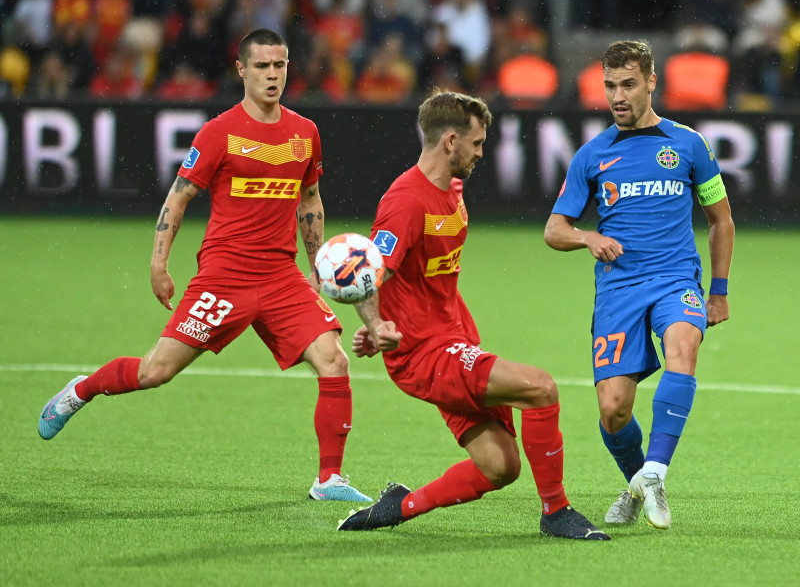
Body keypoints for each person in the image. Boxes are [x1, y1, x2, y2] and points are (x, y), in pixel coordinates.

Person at [37, 28, 372, 504]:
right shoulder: (220, 132)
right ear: (241, 70)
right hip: (224, 277)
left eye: (279, 65)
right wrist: (159, 263)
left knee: (333, 359)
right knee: (156, 371)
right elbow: (179, 198)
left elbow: (310, 200)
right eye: (262, 66)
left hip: (281, 278)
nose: (272, 75)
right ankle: (82, 390)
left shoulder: (305, 133)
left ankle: (329, 479)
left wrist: (318, 268)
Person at [337, 90, 609, 541]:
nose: (482, 152)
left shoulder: (454, 190)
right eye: (478, 143)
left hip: (455, 342)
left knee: (500, 466)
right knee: (540, 387)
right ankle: (556, 512)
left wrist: (380, 325)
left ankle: (398, 507)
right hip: (424, 354)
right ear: (450, 141)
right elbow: (366, 271)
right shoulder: (406, 202)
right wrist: (375, 325)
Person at [543, 39, 735, 529]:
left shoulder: (689, 145)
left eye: (628, 84)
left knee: (683, 345)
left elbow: (721, 221)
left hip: (676, 279)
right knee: (613, 409)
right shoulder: (592, 154)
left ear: (652, 81)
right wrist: (588, 238)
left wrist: (718, 290)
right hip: (619, 288)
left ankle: (655, 468)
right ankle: (640, 483)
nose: (618, 96)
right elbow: (554, 229)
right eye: (610, 86)